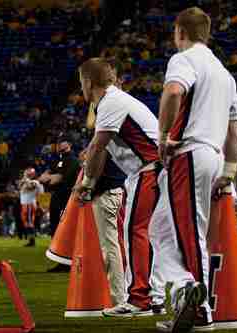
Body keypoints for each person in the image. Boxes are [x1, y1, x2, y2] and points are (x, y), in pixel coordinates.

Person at [154, 7, 237, 332]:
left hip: (189, 153)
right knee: (161, 229)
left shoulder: (184, 59)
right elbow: (235, 132)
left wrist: (163, 137)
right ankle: (183, 290)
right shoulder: (224, 74)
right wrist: (229, 172)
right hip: (212, 154)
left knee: (191, 233)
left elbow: (174, 91)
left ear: (180, 31)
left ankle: (202, 311)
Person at [74, 58, 165, 317]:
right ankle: (153, 297)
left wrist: (86, 184)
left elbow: (96, 148)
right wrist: (89, 183)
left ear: (88, 82)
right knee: (151, 234)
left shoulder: (110, 102)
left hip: (148, 170)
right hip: (154, 169)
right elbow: (100, 150)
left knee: (135, 231)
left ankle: (139, 300)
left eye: (82, 83)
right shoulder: (116, 101)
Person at [38, 137, 80, 238]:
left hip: (68, 196)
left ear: (69, 144)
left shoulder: (73, 160)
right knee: (54, 222)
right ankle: (55, 248)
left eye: (62, 142)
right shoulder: (57, 160)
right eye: (58, 142)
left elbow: (58, 178)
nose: (59, 144)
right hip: (56, 195)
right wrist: (52, 177)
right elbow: (41, 178)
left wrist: (51, 178)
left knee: (65, 223)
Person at [19, 167, 44, 246]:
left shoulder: (35, 182)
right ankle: (30, 239)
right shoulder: (27, 181)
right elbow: (20, 186)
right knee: (26, 222)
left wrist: (26, 179)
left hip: (29, 204)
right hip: (25, 204)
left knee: (30, 222)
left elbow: (30, 187)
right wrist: (24, 180)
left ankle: (32, 240)